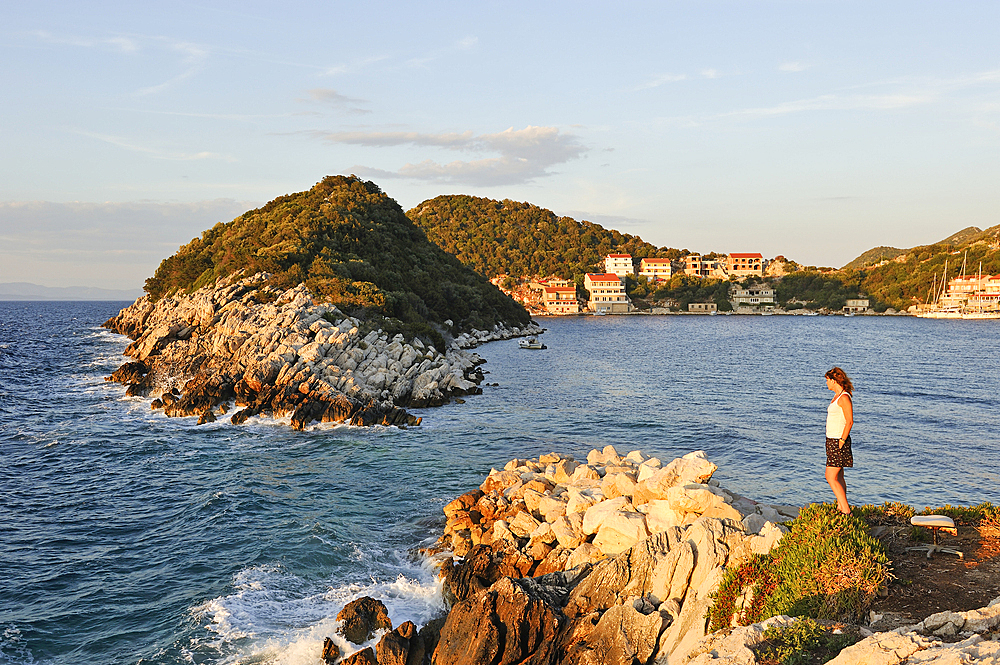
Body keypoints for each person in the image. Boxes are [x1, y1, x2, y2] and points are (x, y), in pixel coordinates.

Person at [824, 367, 854, 515]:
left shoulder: (844, 397)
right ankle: (840, 506)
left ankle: (846, 510)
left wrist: (841, 441)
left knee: (829, 476)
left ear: (834, 380)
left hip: (838, 441)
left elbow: (849, 421)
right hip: (832, 440)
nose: (826, 383)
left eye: (828, 380)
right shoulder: (837, 396)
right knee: (839, 476)